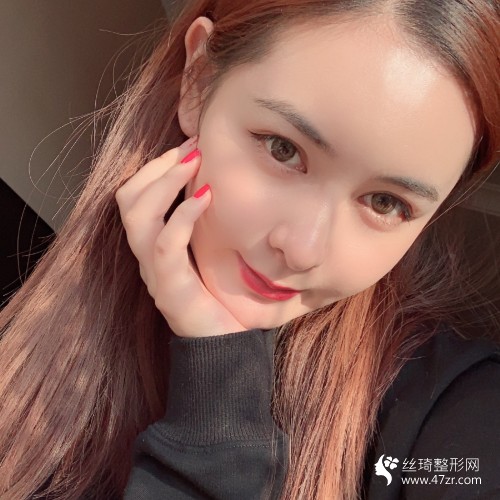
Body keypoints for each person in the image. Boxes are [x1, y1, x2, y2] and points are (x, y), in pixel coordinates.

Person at [0, 0, 499, 499]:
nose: (302, 249)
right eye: (283, 149)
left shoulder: (456, 409)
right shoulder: (36, 332)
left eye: (386, 203)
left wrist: (217, 386)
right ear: (198, 82)